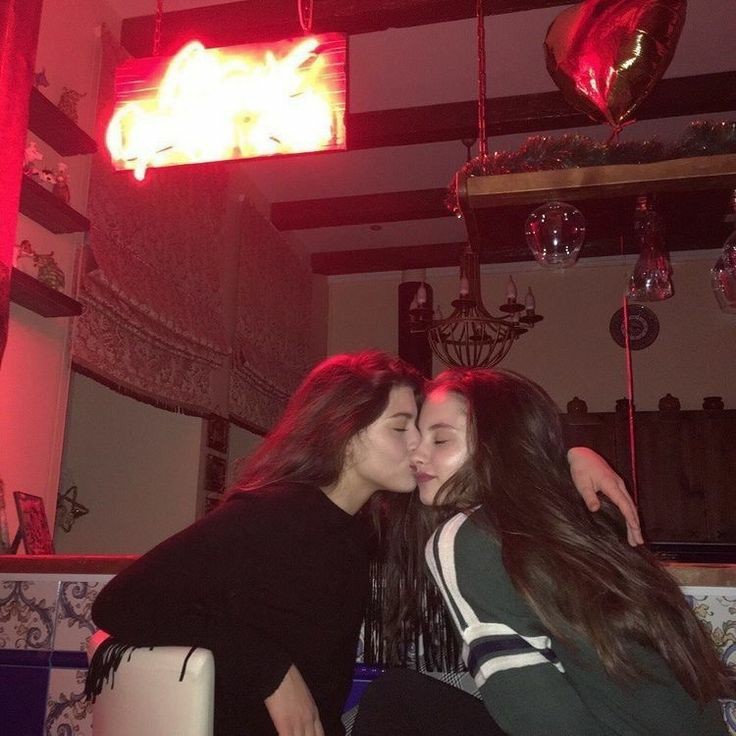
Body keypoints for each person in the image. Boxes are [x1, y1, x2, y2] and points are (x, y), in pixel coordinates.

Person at [86, 351, 638, 736]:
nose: (417, 445)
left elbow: (493, 468)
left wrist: (570, 457)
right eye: (401, 428)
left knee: (431, 692)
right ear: (345, 431)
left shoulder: (365, 524)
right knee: (398, 697)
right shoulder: (277, 511)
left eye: (423, 430)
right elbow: (121, 602)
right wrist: (269, 669)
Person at [354, 369, 735, 736]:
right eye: (417, 438)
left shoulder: (464, 538)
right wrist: (574, 454)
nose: (417, 455)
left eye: (440, 440)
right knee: (400, 696)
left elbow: (541, 720)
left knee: (393, 698)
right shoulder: (578, 516)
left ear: (497, 447)